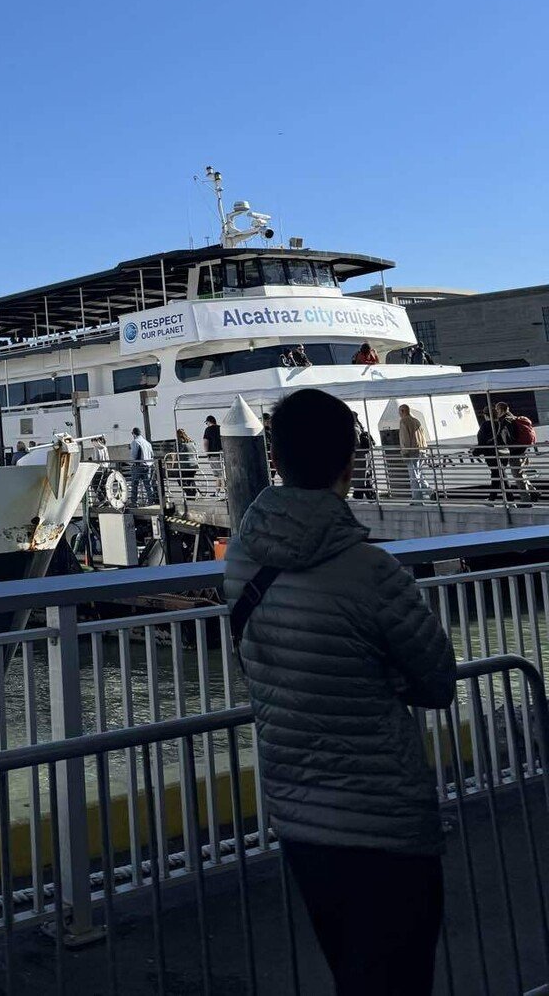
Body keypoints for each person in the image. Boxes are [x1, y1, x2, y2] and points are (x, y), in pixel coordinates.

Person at [224, 388, 455, 995]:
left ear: (275, 460)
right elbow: (437, 681)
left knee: (351, 971)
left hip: (299, 818)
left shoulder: (243, 561)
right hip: (383, 819)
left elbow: (261, 664)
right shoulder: (373, 572)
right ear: (350, 464)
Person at [397, 403, 432, 500]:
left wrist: (405, 452)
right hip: (422, 450)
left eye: (399, 411)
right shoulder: (416, 420)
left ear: (403, 411)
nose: (399, 414)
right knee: (418, 474)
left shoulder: (404, 421)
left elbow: (405, 439)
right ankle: (430, 492)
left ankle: (417, 499)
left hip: (412, 452)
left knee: (414, 477)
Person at [127, 426, 157, 506]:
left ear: (133, 434)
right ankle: (151, 501)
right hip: (148, 466)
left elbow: (134, 456)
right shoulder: (147, 443)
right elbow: (152, 455)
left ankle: (134, 502)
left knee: (134, 484)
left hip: (138, 466)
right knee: (148, 485)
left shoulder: (135, 442)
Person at [353, 421, 377, 498]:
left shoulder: (354, 429)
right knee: (366, 476)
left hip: (359, 457)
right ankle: (370, 495)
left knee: (361, 477)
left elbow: (356, 444)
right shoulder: (359, 428)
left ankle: (363, 495)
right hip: (365, 456)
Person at [175, 426, 197, 495]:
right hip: (194, 465)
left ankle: (190, 493)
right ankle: (193, 493)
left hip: (185, 466)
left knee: (180, 479)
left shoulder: (179, 443)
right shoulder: (191, 442)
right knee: (190, 479)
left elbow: (176, 454)